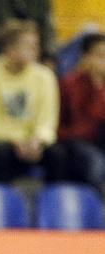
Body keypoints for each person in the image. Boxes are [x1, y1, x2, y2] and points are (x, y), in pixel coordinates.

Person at [0, 19, 58, 182]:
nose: (35, 51)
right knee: (0, 153)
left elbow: (47, 120)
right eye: (29, 46)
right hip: (5, 140)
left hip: (33, 141)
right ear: (9, 49)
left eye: (36, 46)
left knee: (58, 154)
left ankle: (52, 204)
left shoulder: (45, 77)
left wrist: (37, 140)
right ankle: (0, 201)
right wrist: (15, 141)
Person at [52, 33, 105, 185]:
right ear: (85, 57)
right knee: (96, 165)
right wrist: (97, 89)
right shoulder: (68, 84)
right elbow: (58, 125)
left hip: (100, 142)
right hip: (74, 143)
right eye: (101, 56)